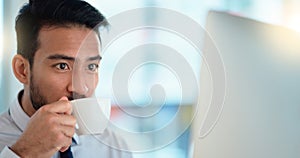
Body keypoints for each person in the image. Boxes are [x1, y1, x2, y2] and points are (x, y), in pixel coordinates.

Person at [0, 0, 132, 157]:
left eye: (91, 67)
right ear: (22, 70)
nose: (80, 88)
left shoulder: (112, 147)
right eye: (62, 66)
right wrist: (25, 153)